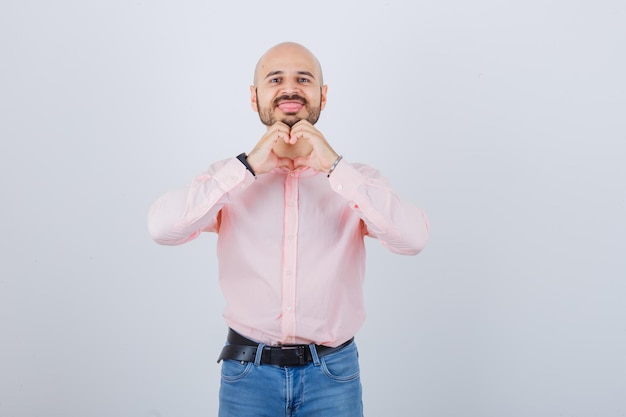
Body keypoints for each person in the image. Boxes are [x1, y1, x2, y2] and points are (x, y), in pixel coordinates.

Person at [147, 42, 429, 417]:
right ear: (255, 97)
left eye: (304, 79)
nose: (290, 88)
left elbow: (413, 239)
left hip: (333, 376)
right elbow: (162, 228)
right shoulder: (227, 180)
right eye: (275, 79)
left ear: (322, 96)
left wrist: (334, 166)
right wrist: (246, 168)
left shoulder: (357, 183)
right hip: (247, 375)